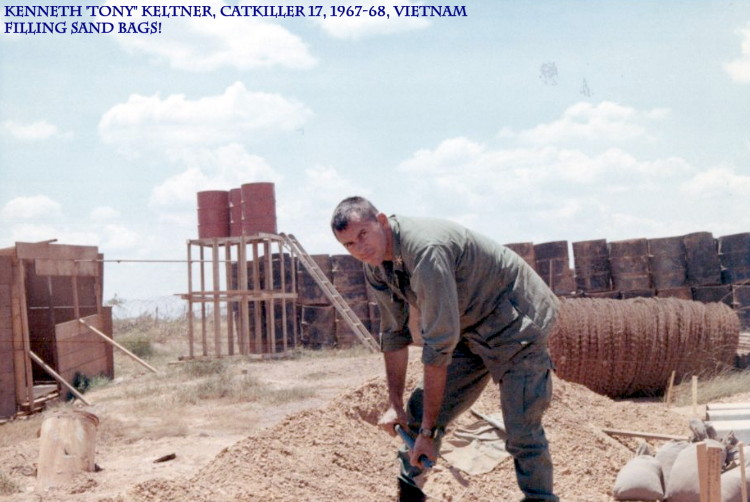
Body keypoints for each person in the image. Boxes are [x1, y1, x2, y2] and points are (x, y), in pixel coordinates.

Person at [330, 196, 560, 502]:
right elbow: (394, 334)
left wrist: (428, 433)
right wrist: (395, 404)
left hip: (515, 324)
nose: (359, 248)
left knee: (521, 427)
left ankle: (539, 499)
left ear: (382, 222)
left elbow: (438, 346)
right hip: (469, 327)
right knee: (416, 411)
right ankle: (409, 494)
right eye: (349, 244)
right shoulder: (376, 267)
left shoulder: (425, 251)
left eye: (363, 235)